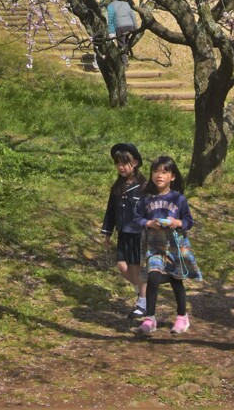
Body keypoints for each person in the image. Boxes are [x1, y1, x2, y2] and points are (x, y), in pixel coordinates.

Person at [132, 155, 202, 336]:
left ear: (172, 176)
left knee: (176, 280)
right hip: (153, 246)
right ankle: (150, 319)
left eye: (164, 172)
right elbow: (137, 218)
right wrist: (148, 224)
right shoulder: (145, 199)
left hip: (174, 245)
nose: (159, 175)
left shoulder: (178, 199)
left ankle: (182, 317)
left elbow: (189, 221)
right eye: (155, 171)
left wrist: (177, 223)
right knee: (153, 277)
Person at [101, 142, 147, 318]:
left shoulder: (143, 187)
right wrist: (107, 232)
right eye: (117, 163)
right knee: (122, 266)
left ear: (134, 163)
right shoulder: (117, 188)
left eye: (124, 163)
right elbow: (110, 211)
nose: (121, 167)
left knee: (136, 267)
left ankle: (143, 301)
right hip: (123, 233)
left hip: (138, 234)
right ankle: (144, 291)